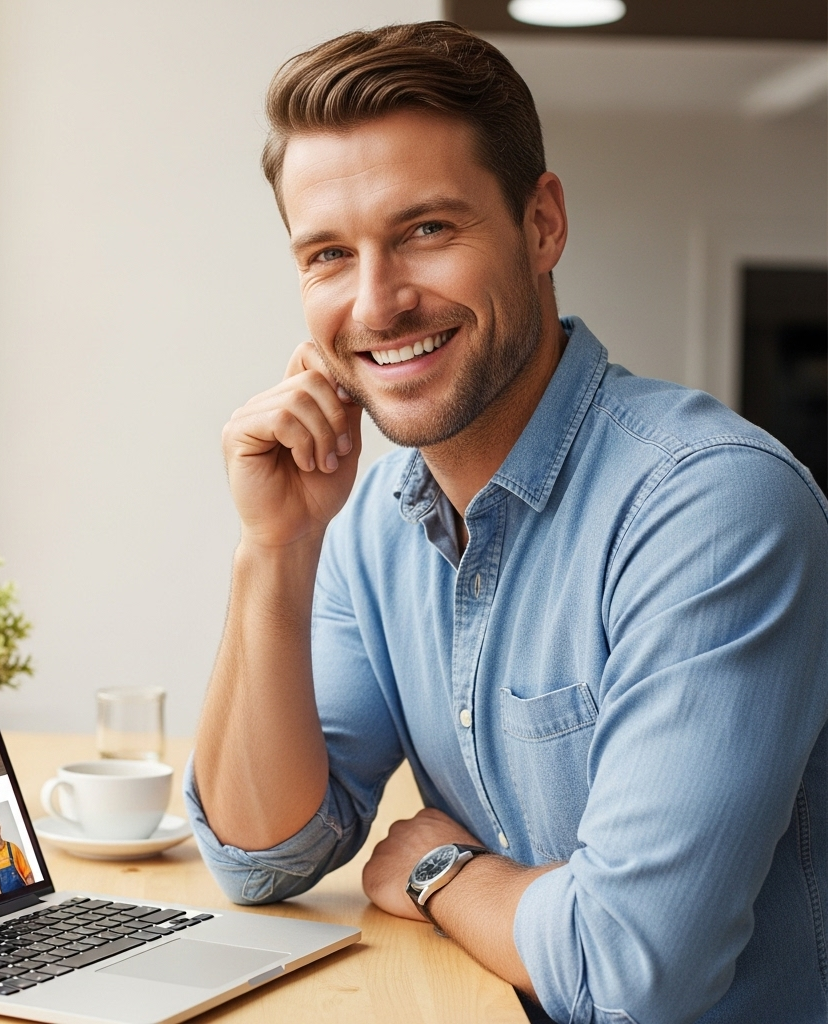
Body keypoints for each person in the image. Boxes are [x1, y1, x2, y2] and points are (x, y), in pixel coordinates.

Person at [187, 22, 828, 1024]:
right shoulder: (370, 530)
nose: (377, 302)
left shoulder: (709, 508)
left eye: (425, 231)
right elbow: (263, 853)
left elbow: (634, 967)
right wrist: (275, 545)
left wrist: (444, 869)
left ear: (541, 226)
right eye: (327, 254)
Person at [0, 810, 33, 895]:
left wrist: (33, 893)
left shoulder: (13, 848)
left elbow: (28, 875)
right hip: (9, 901)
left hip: (24, 894)